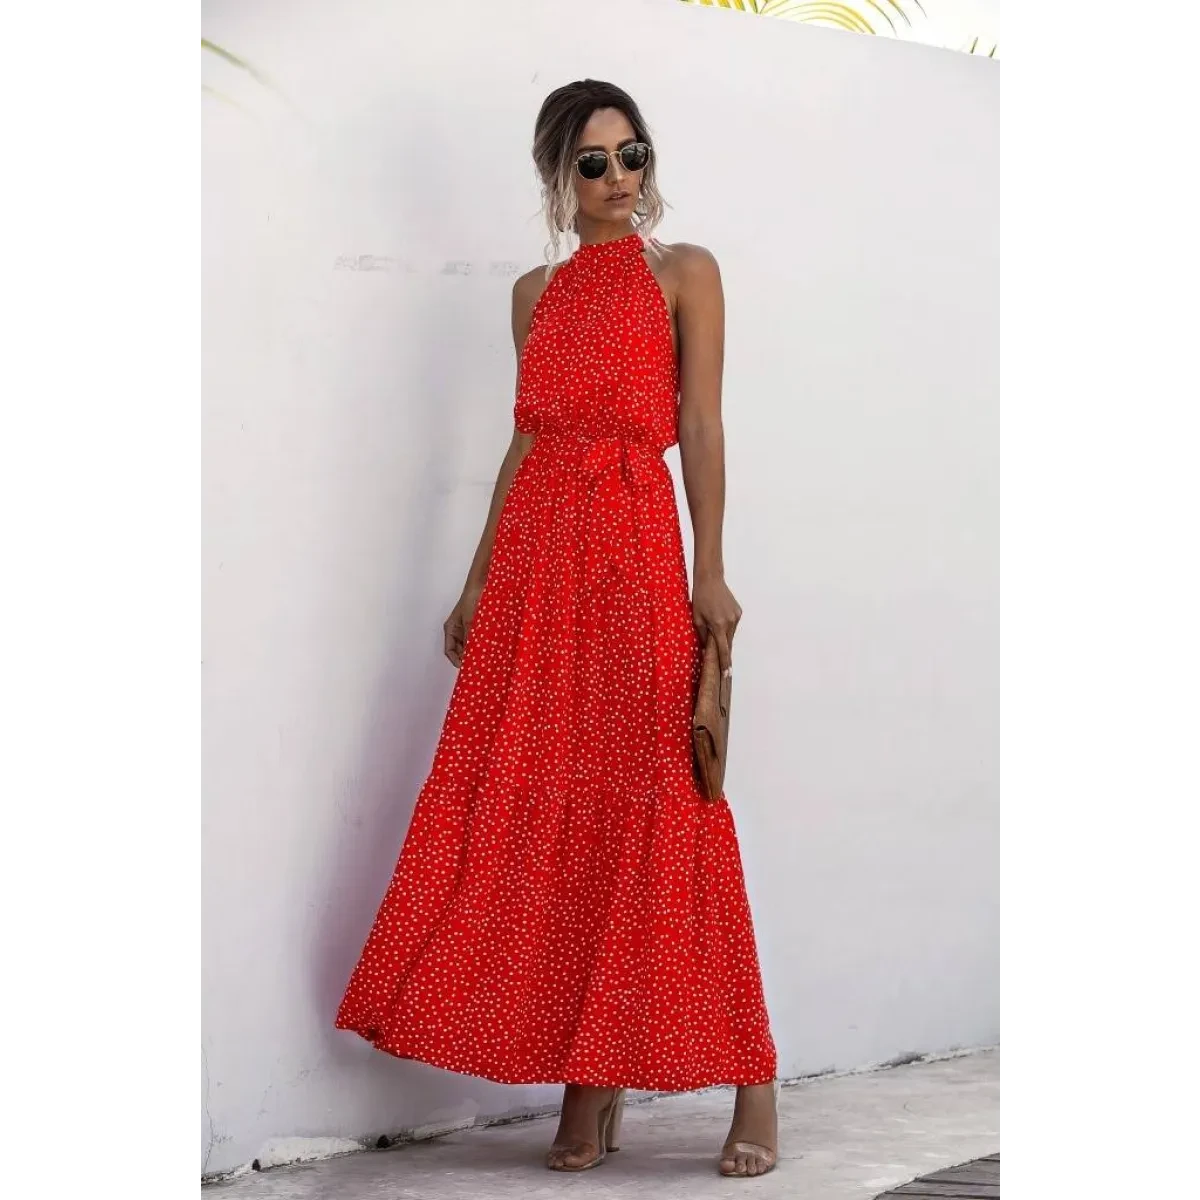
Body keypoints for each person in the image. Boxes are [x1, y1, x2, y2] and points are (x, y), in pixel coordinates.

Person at [335, 78, 779, 1179]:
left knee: (664, 794)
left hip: (633, 548)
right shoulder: (534, 294)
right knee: (552, 800)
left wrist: (711, 569)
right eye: (593, 162)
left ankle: (752, 1078)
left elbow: (701, 423)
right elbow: (526, 441)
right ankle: (592, 1079)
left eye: (633, 155)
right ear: (557, 176)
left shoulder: (685, 273)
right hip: (541, 568)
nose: (619, 178)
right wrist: (476, 581)